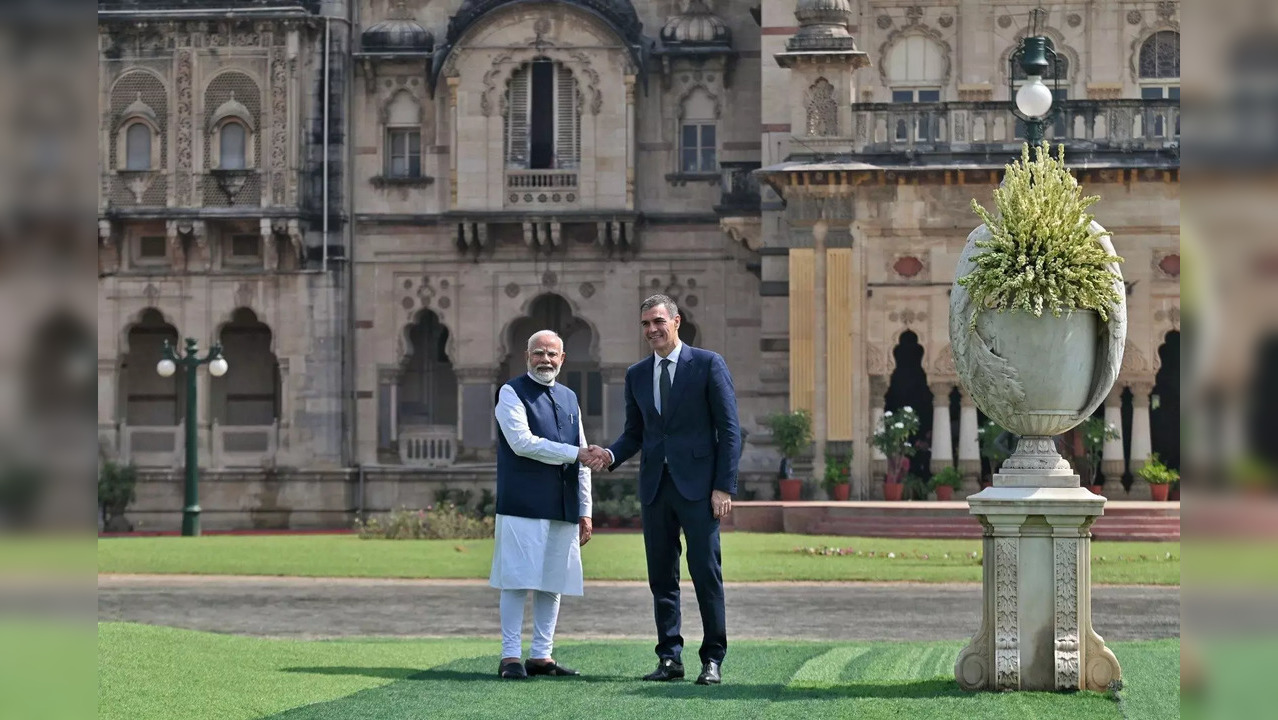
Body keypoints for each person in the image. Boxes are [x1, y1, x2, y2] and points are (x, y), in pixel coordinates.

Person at [588, 294, 741, 686]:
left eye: (658, 321)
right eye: (645, 324)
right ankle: (670, 658)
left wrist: (724, 487)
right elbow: (635, 434)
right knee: (661, 576)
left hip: (700, 490)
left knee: (705, 573)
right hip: (656, 488)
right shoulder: (637, 374)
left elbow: (729, 430)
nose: (652, 330)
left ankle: (712, 659)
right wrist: (609, 453)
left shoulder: (708, 364)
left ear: (676, 321)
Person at [491, 330, 607, 680]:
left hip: (562, 503)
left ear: (563, 358)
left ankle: (542, 655)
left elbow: (582, 454)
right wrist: (574, 454)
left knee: (552, 580)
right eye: (538, 353)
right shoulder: (511, 393)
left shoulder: (570, 398)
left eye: (551, 354)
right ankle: (510, 656)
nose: (545, 360)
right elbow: (523, 443)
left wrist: (585, 510)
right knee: (515, 579)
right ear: (527, 356)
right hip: (521, 503)